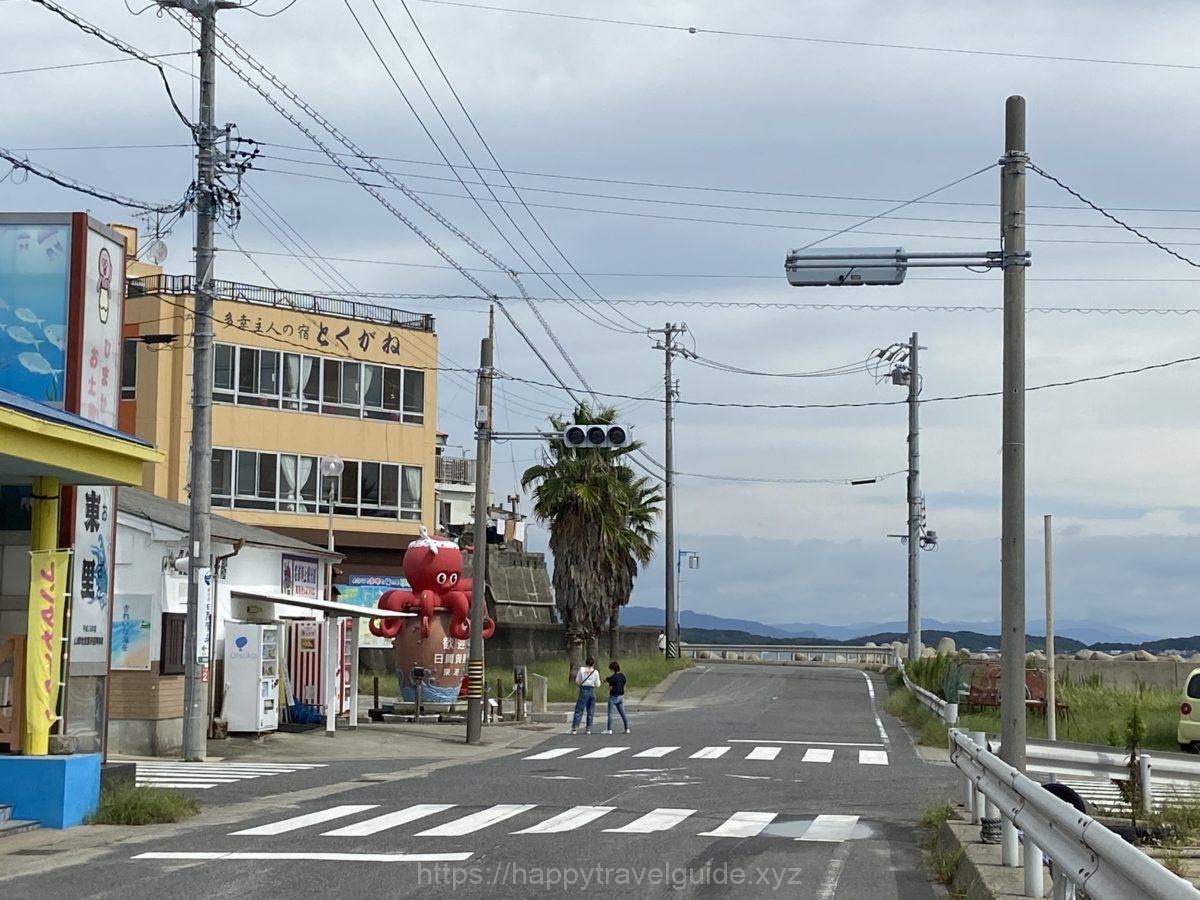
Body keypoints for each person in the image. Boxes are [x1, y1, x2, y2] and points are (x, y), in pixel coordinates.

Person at [570, 656, 601, 734]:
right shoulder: (595, 672)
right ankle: (588, 728)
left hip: (583, 690)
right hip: (591, 690)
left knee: (579, 709)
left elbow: (577, 680)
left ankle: (575, 728)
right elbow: (598, 684)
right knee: (590, 710)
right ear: (593, 664)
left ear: (586, 663)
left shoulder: (582, 670)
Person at [602, 660, 630, 734]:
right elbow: (623, 682)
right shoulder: (622, 676)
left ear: (612, 669)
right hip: (621, 696)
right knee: (623, 713)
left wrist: (607, 683)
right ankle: (627, 728)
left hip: (613, 696)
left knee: (610, 714)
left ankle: (609, 729)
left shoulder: (613, 677)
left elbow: (610, 686)